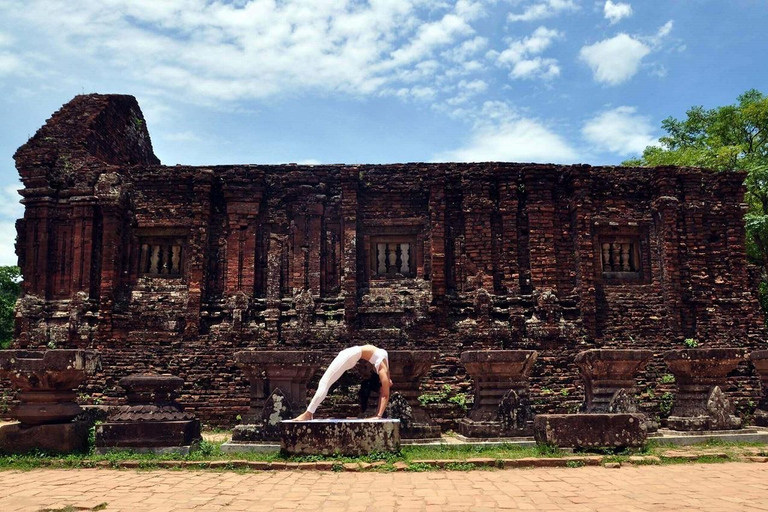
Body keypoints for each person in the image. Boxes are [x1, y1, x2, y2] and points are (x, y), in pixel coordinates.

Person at [292, 344, 392, 421]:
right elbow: (385, 395)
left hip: (349, 355)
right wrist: (379, 415)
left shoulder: (383, 367)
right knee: (324, 383)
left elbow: (384, 395)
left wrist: (378, 416)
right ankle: (309, 413)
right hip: (350, 355)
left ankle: (308, 413)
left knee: (324, 383)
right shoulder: (384, 370)